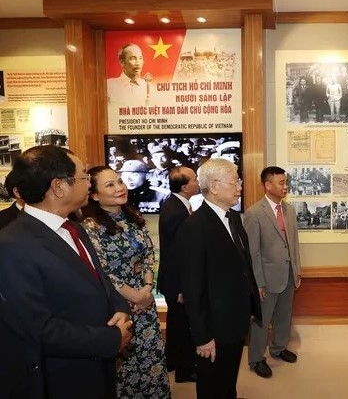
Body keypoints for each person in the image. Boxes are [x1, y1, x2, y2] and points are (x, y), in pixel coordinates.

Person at [0, 145, 132, 399]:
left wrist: (120, 308)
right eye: (84, 177)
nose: (89, 185)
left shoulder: (74, 229)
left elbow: (101, 282)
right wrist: (109, 340)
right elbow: (36, 327)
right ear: (59, 187)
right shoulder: (11, 244)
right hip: (61, 379)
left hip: (98, 371)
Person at [81, 166, 171, 398]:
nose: (121, 187)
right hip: (119, 307)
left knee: (152, 361)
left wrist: (148, 289)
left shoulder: (134, 217)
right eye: (110, 184)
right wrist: (134, 296)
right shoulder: (91, 227)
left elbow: (149, 255)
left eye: (120, 181)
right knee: (124, 369)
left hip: (146, 302)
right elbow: (100, 269)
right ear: (94, 195)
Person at [177, 158, 262, 399]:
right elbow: (193, 288)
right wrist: (203, 337)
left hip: (235, 319)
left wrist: (251, 304)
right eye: (235, 182)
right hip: (213, 325)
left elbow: (243, 265)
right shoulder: (194, 227)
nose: (240, 187)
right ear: (214, 186)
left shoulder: (233, 218)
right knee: (212, 382)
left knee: (228, 376)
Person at [244, 166, 302, 379]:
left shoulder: (289, 210)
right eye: (281, 183)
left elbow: (294, 243)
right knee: (262, 320)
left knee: (284, 316)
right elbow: (253, 252)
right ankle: (256, 358)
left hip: (287, 275)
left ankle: (279, 348)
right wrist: (257, 282)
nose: (285, 186)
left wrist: (297, 271)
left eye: (286, 182)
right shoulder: (254, 213)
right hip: (266, 279)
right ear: (268, 185)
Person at [158, 166, 200, 383]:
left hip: (174, 281)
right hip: (177, 282)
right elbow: (178, 253)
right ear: (185, 187)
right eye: (194, 178)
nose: (198, 181)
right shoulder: (176, 211)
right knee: (183, 327)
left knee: (176, 324)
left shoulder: (175, 204)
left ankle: (173, 360)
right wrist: (183, 287)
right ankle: (185, 370)